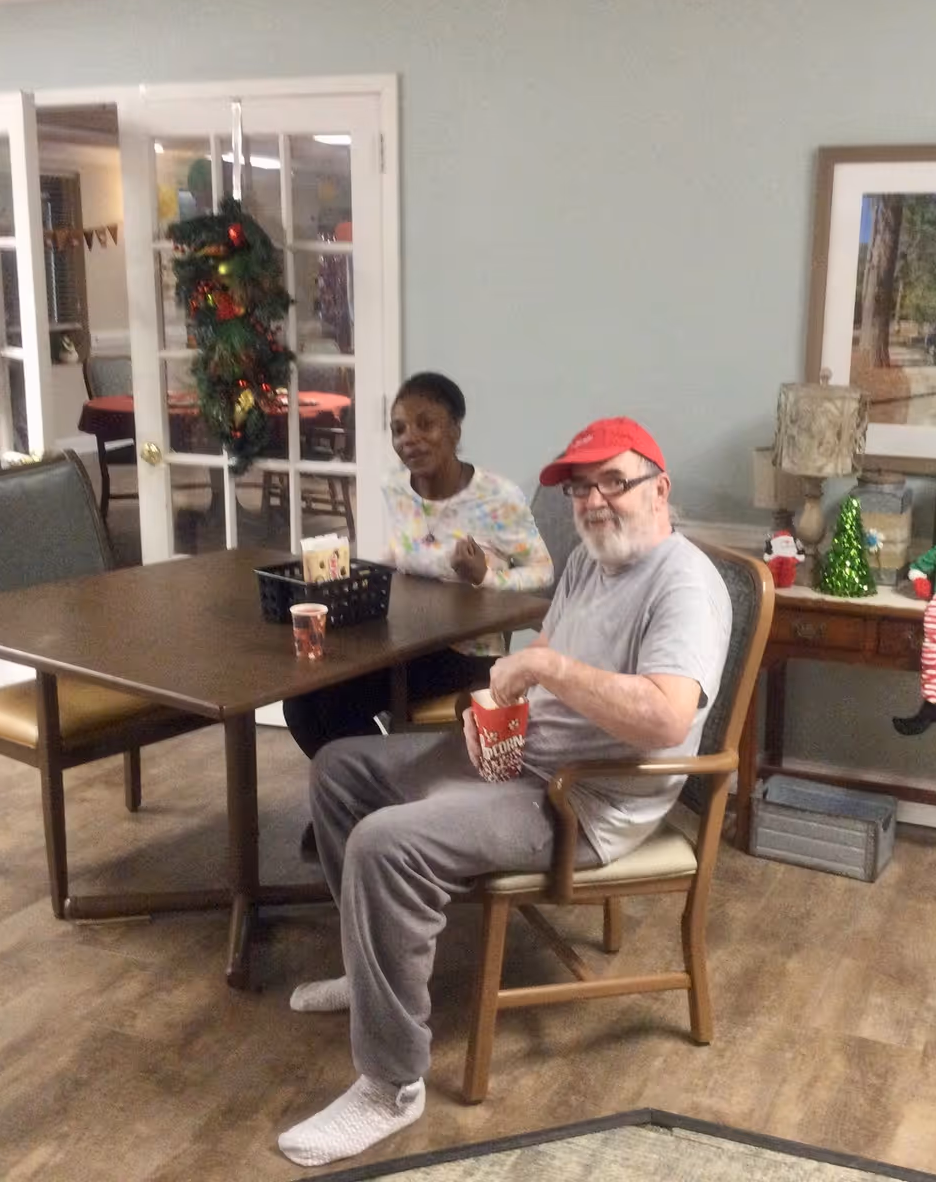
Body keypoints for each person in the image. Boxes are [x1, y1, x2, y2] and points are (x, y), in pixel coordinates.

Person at [276, 417, 732, 1168]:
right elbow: (550, 649)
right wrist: (508, 694)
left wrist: (545, 672)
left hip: (582, 799)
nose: (594, 501)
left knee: (385, 844)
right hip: (520, 755)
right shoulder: (591, 562)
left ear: (660, 489)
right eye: (581, 488)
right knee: (340, 770)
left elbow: (665, 716)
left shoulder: (683, 583)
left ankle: (390, 1086)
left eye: (613, 482)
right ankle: (370, 975)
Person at [284, 372, 553, 852]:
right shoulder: (395, 488)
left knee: (335, 702)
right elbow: (403, 555)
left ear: (455, 430)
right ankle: (366, 805)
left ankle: (374, 810)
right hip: (398, 640)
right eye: (399, 428)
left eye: (426, 424)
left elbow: (543, 573)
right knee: (303, 702)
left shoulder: (496, 497)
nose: (410, 438)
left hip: (466, 654)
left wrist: (484, 575)